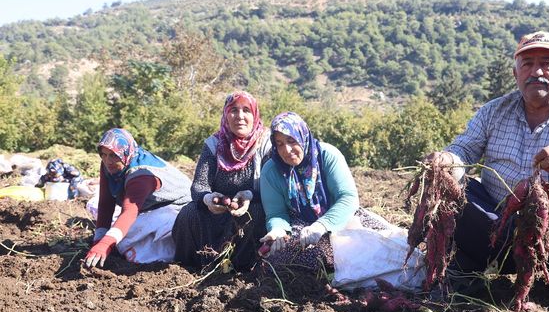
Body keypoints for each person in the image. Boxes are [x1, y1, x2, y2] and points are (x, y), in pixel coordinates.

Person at [424, 31, 549, 308]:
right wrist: (446, 160)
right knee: (445, 188)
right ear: (516, 72)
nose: (536, 71)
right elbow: (464, 150)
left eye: (546, 63)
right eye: (528, 63)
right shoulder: (493, 111)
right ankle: (466, 271)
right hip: (493, 225)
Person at [172, 91, 271, 272]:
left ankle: (243, 269)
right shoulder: (213, 144)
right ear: (226, 114)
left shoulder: (266, 144)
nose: (240, 116)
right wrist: (209, 199)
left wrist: (249, 196)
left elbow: (272, 189)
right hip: (217, 211)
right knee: (188, 212)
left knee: (255, 213)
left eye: (246, 110)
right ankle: (188, 268)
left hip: (251, 206)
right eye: (233, 110)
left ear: (254, 114)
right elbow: (199, 186)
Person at [258, 111, 362, 271]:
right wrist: (278, 229)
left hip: (339, 217)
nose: (286, 149)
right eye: (279, 144)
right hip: (300, 224)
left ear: (302, 136)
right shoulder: (271, 170)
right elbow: (276, 213)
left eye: (291, 140)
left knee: (385, 244)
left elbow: (348, 198)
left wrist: (321, 226)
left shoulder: (327, 155)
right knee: (286, 258)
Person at [84, 128, 192, 268]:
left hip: (179, 206)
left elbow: (130, 211)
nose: (107, 160)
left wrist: (105, 244)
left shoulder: (141, 175)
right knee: (121, 241)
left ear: (125, 153)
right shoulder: (109, 165)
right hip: (150, 206)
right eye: (103, 155)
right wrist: (98, 241)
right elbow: (106, 203)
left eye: (113, 155)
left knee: (140, 246)